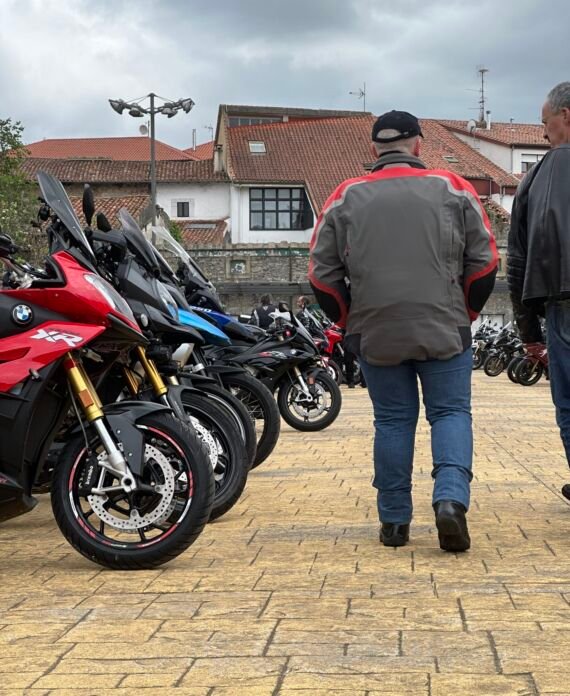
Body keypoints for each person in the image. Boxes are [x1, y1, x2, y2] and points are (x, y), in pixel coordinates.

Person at [309, 109, 497, 551]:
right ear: (417, 144)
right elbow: (486, 261)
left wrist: (349, 320)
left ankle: (394, 521)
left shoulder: (345, 196)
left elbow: (321, 274)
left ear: (375, 148)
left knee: (393, 421)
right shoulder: (454, 188)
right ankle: (450, 499)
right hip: (444, 324)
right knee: (450, 413)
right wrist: (466, 311)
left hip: (376, 328)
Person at [507, 81, 570, 500]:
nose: (543, 132)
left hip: (562, 303)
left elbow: (517, 261)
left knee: (569, 402)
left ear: (566, 116)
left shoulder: (533, 180)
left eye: (545, 122)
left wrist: (529, 333)